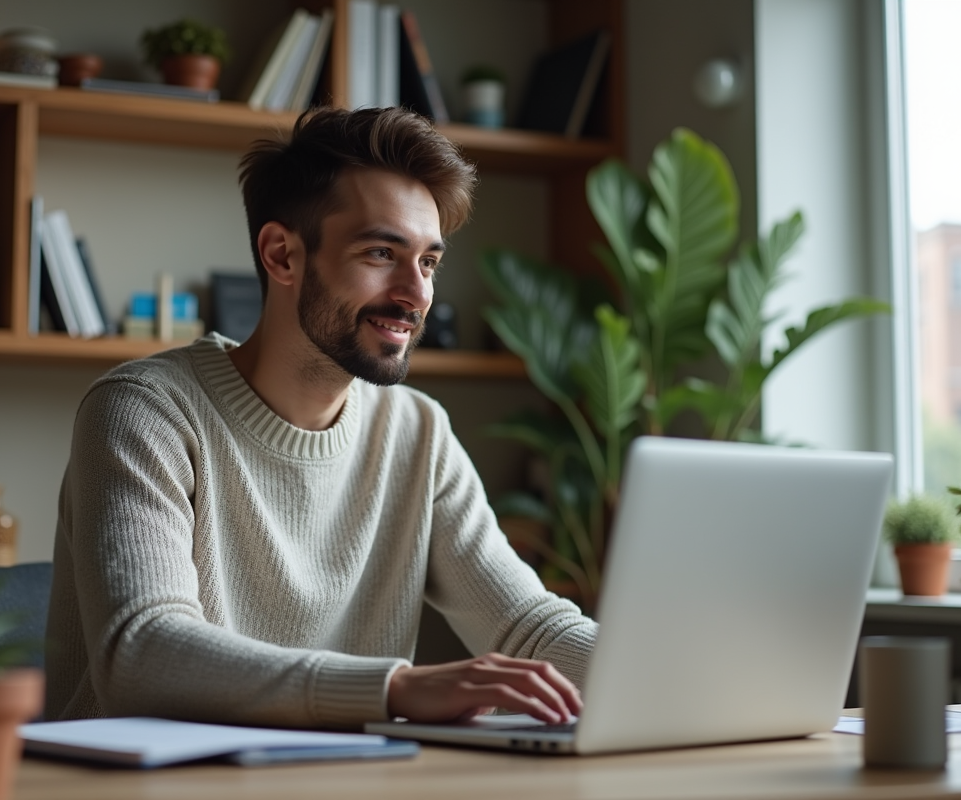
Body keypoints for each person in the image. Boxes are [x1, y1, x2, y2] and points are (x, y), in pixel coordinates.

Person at [44, 106, 598, 730]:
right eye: (381, 252)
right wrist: (396, 688)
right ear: (282, 255)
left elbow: (526, 625)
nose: (417, 295)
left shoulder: (417, 431)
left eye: (429, 262)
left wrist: (679, 676)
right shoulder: (146, 411)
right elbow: (143, 652)